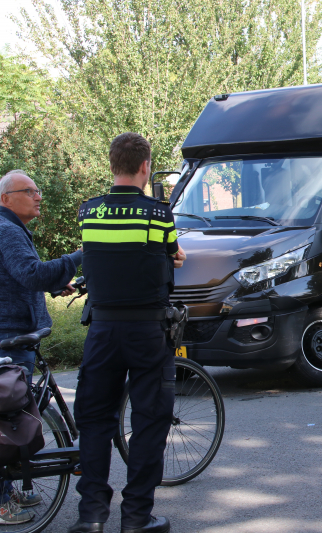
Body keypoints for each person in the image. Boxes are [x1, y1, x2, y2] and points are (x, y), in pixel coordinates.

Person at [68, 133, 186, 533]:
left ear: (112, 164)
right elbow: (169, 255)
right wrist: (174, 254)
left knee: (95, 419)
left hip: (101, 330)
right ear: (144, 167)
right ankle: (136, 517)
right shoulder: (158, 214)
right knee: (151, 419)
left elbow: (102, 256)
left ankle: (91, 516)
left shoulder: (89, 213)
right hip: (147, 332)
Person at [0, 169, 82, 525]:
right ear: (6, 198)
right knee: (8, 422)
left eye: (38, 191)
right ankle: (2, 505)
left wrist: (53, 285)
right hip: (11, 336)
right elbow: (31, 273)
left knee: (13, 416)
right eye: (29, 191)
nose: (38, 197)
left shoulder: (11, 229)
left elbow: (18, 277)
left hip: (15, 332)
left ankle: (7, 491)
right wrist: (80, 255)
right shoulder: (7, 231)